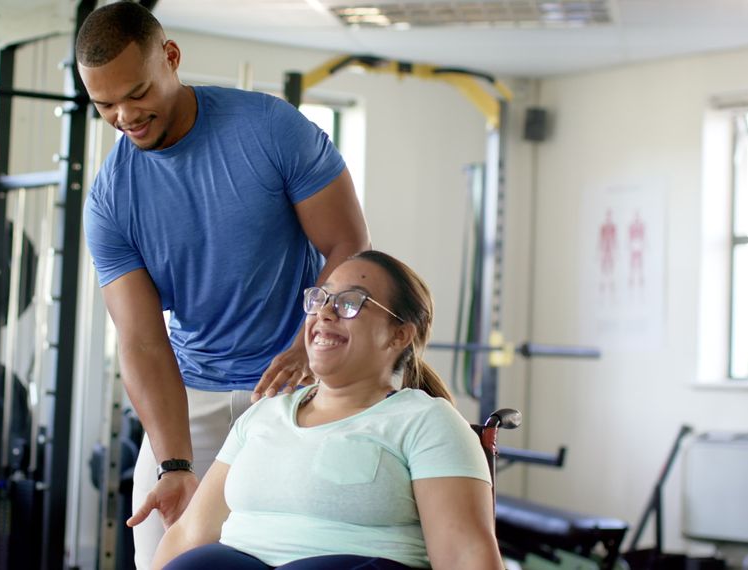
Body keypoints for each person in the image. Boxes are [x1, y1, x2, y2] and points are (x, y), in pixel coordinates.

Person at [75, 2, 370, 567]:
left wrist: (309, 345)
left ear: (171, 57)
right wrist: (174, 465)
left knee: (304, 554)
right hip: (196, 394)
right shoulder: (111, 199)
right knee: (161, 556)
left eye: (136, 93)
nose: (124, 116)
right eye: (105, 104)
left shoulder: (269, 128)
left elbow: (349, 247)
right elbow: (140, 340)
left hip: (301, 387)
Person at [153, 250, 503, 570]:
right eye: (319, 298)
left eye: (351, 302)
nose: (324, 312)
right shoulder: (261, 416)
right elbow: (189, 533)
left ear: (398, 335)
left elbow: (465, 555)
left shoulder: (427, 422)